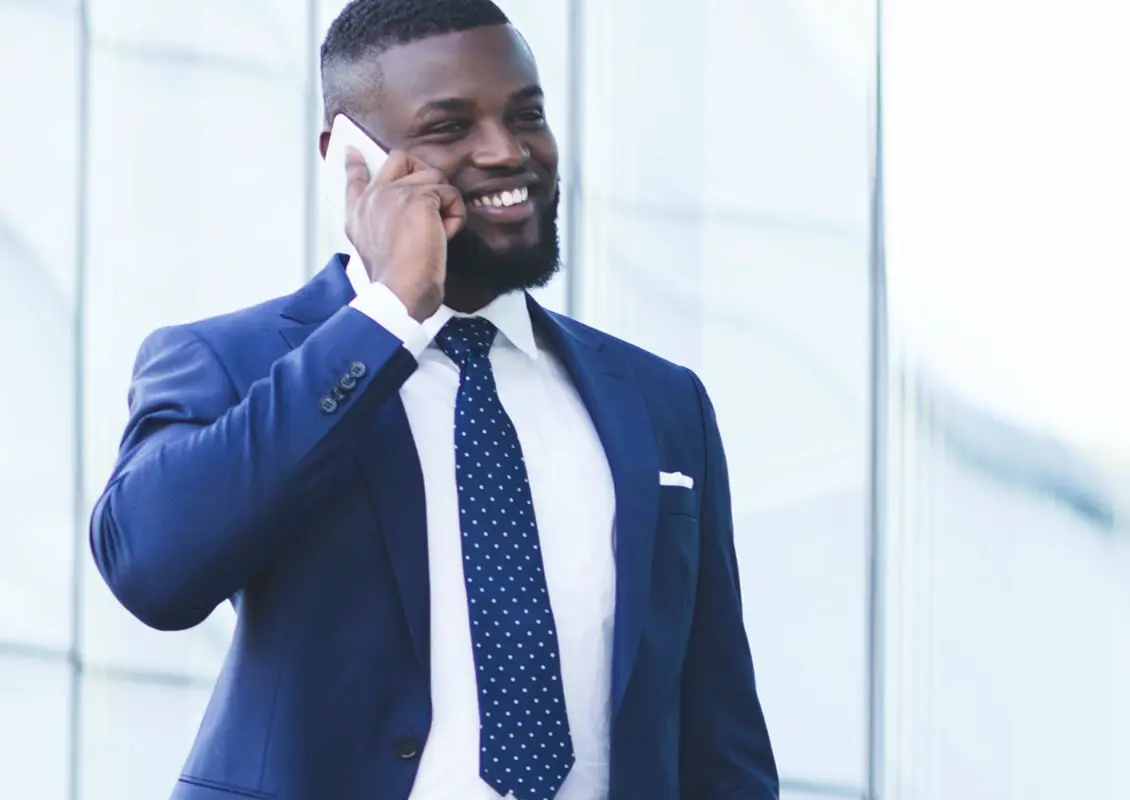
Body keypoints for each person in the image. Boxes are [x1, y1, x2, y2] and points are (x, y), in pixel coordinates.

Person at [88, 0, 778, 798]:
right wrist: (387, 314)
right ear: (353, 160)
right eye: (450, 128)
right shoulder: (236, 362)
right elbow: (154, 570)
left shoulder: (662, 403)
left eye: (527, 115)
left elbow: (719, 736)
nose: (507, 152)